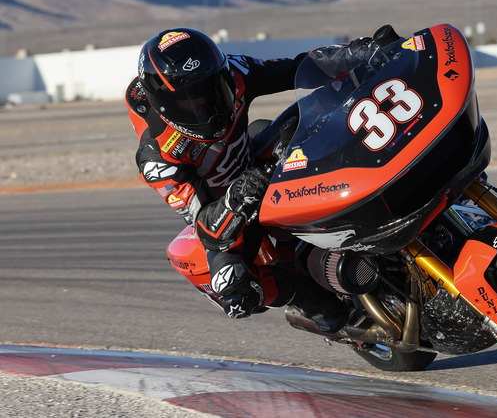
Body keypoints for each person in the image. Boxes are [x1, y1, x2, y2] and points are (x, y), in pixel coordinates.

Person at [125, 27, 374, 332]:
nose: (207, 103)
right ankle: (306, 298)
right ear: (164, 105)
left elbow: (296, 68)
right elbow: (203, 223)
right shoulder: (158, 156)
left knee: (323, 110)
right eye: (191, 100)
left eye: (212, 89)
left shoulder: (233, 71)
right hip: (226, 214)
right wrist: (235, 197)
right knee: (230, 285)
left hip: (258, 162)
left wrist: (354, 54)